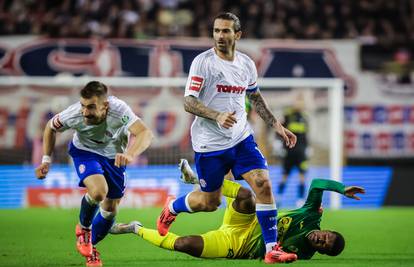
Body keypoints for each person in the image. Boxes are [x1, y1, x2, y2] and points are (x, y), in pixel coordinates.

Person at [156, 12, 297, 264]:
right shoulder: (203, 62)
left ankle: (271, 249)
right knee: (210, 202)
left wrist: (276, 125)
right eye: (216, 31)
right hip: (210, 144)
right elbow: (188, 101)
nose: (220, 36)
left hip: (241, 138)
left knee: (263, 184)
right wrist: (217, 115)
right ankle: (172, 207)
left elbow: (254, 97)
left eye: (226, 31)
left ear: (237, 35)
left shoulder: (246, 64)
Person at [111, 160, 365, 260]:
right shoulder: (311, 216)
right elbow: (318, 183)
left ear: (320, 251)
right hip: (251, 221)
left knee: (184, 245)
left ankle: (135, 228)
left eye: (323, 245)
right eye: (326, 236)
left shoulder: (303, 254)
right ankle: (198, 180)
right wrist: (341, 188)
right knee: (246, 195)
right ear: (326, 229)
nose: (320, 239)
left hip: (237, 244)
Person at [34, 81, 153, 267]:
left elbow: (145, 133)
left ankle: (91, 248)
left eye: (91, 107)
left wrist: (130, 154)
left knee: (109, 211)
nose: (85, 112)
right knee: (98, 192)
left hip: (114, 157)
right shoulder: (73, 114)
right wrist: (46, 160)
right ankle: (84, 229)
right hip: (85, 152)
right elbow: (50, 127)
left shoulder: (120, 110)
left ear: (105, 106)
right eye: (83, 106)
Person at [277, 93, 309, 206]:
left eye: (301, 101)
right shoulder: (287, 116)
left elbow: (305, 135)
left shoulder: (305, 117)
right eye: (297, 101)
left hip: (301, 152)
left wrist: (308, 148)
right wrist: (278, 145)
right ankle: (279, 198)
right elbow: (278, 132)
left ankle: (300, 200)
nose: (299, 104)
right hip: (289, 151)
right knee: (284, 176)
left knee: (302, 177)